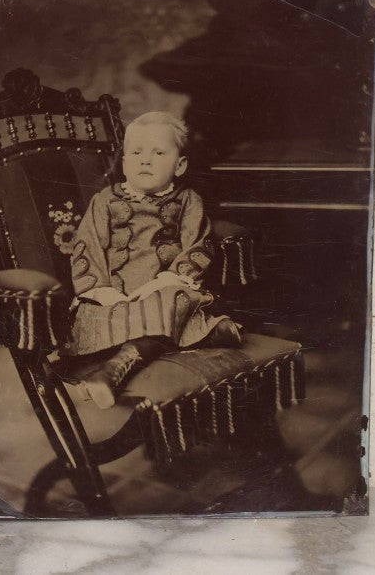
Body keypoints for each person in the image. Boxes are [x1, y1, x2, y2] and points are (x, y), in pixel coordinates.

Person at [61, 111, 241, 408]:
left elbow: (198, 244)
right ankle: (208, 333)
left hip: (162, 291)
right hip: (115, 297)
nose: (145, 160)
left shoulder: (189, 200)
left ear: (180, 165)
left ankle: (116, 367)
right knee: (101, 315)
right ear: (124, 163)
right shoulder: (104, 201)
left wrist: (164, 281)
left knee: (175, 300)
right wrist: (103, 292)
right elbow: (87, 248)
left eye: (158, 153)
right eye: (136, 152)